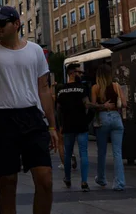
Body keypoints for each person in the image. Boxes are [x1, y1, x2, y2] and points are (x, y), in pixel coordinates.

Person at [0, 6, 57, 214]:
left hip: (32, 117)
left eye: (1, 23)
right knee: (8, 182)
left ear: (16, 24)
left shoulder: (35, 51)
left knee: (45, 179)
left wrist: (53, 126)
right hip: (2, 119)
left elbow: (44, 89)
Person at [57, 64, 114, 192]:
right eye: (78, 72)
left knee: (67, 154)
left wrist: (60, 125)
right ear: (72, 73)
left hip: (67, 126)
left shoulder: (60, 90)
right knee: (84, 153)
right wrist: (102, 106)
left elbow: (59, 110)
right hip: (81, 125)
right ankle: (84, 182)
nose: (80, 75)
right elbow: (88, 105)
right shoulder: (81, 89)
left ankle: (67, 178)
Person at [91, 64, 127, 191]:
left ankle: (101, 178)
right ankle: (119, 183)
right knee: (117, 152)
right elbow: (124, 103)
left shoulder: (95, 88)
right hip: (116, 119)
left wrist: (103, 106)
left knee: (102, 151)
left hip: (103, 119)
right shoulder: (116, 86)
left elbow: (94, 105)